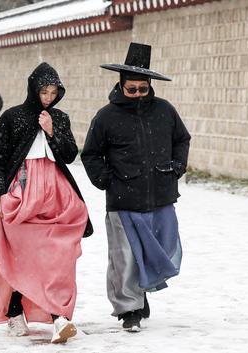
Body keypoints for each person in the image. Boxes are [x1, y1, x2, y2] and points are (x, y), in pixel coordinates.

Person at [0, 62, 93, 344]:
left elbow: (71, 154)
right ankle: (14, 312)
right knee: (22, 256)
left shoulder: (59, 117)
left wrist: (52, 131)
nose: (48, 97)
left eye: (53, 92)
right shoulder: (13, 117)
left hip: (57, 194)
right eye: (44, 92)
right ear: (33, 89)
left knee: (58, 256)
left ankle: (59, 316)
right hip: (21, 193)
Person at [81, 42, 191, 332]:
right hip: (123, 197)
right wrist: (106, 180)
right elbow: (90, 154)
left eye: (143, 89)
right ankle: (128, 309)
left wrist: (177, 167)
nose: (138, 95)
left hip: (161, 194)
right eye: (132, 90)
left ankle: (140, 293)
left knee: (160, 250)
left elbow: (182, 139)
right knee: (124, 257)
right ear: (121, 85)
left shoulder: (165, 110)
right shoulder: (106, 116)